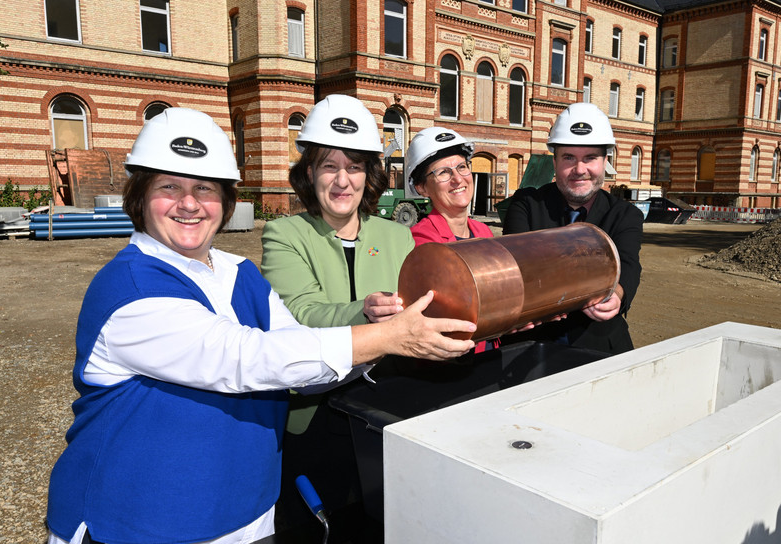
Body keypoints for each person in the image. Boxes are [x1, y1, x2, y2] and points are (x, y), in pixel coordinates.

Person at [45, 107, 475, 544]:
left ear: (227, 201)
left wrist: (396, 344)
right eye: (169, 186)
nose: (189, 203)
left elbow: (302, 362)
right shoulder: (131, 288)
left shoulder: (237, 274)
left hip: (244, 516)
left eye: (205, 188)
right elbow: (245, 358)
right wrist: (389, 335)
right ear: (139, 197)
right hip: (136, 523)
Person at [258, 94, 414, 523]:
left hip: (385, 409)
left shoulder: (398, 236)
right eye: (330, 166)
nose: (343, 180)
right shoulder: (285, 234)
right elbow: (301, 313)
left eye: (355, 166)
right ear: (309, 173)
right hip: (315, 414)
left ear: (369, 174)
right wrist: (363, 312)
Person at [502, 102, 643, 355]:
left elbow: (628, 263)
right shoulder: (525, 205)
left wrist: (617, 293)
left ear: (605, 161)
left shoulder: (624, 215)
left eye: (590, 158)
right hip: (529, 349)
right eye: (569, 158)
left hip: (600, 347)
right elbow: (520, 267)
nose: (580, 170)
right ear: (554, 161)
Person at [405, 126, 498, 352]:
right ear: (421, 187)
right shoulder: (423, 242)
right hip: (452, 362)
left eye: (462, 167)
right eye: (444, 172)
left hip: (487, 351)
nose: (458, 179)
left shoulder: (484, 232)